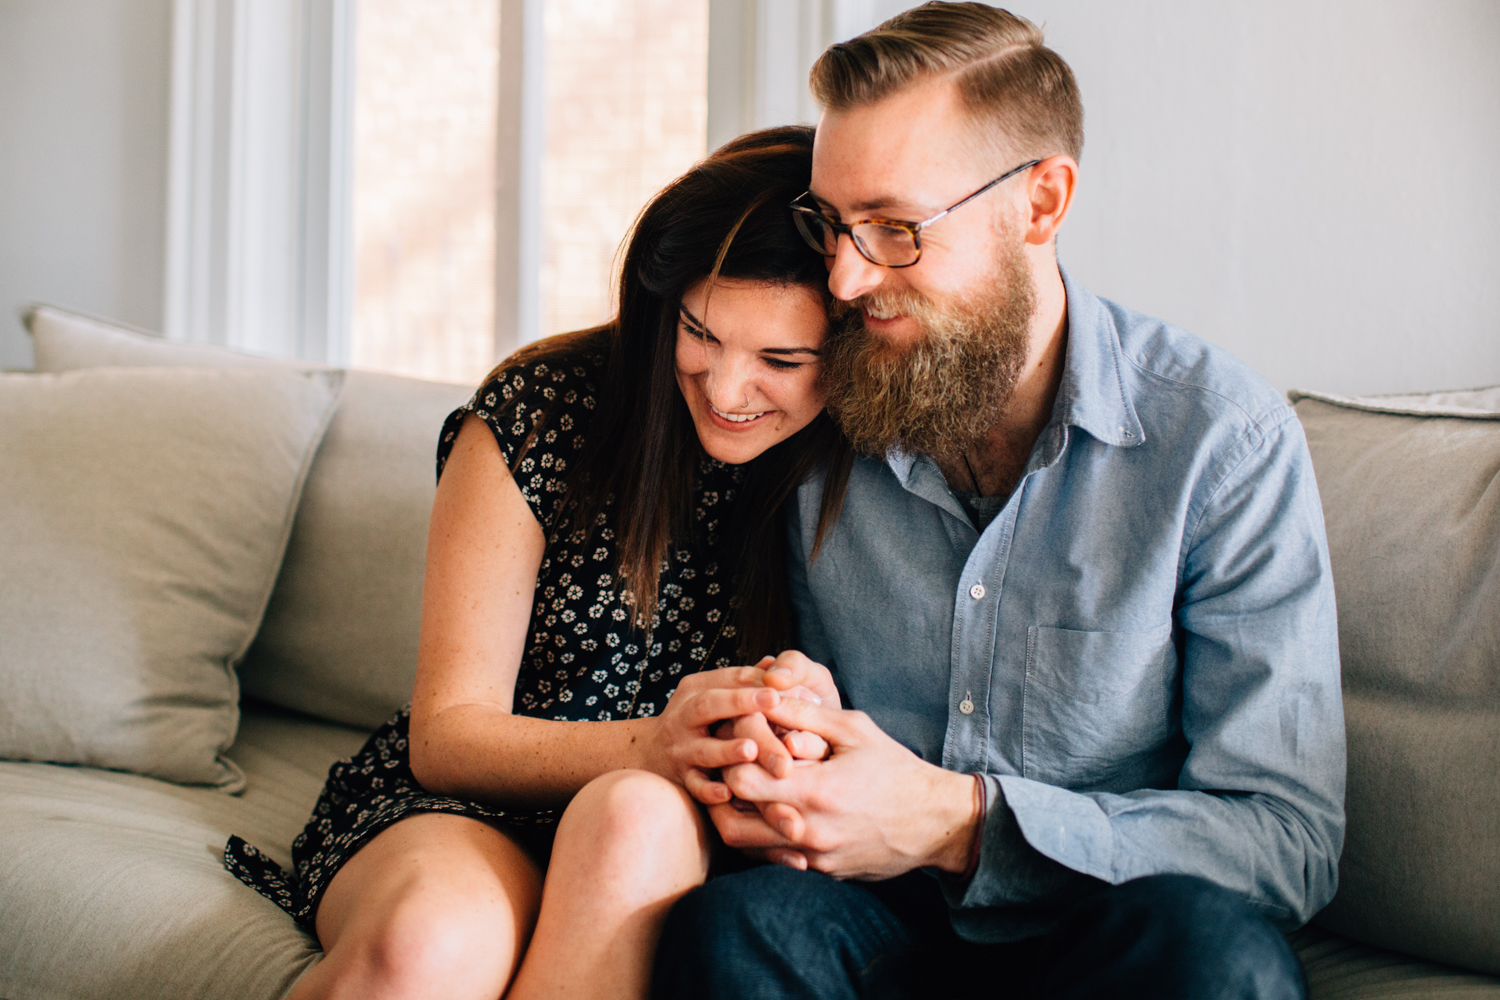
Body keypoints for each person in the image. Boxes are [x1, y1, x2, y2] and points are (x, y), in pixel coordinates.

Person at [653, 5, 1345, 999]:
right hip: (876, 925)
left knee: (1217, 956)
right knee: (735, 928)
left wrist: (959, 819)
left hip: (1104, 932)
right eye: (832, 225)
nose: (846, 278)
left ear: (1042, 202)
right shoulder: (820, 402)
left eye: (895, 229)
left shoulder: (1221, 444)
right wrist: (780, 724)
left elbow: (1287, 841)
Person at [225, 125, 854, 1000]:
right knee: (434, 944)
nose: (723, 387)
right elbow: (446, 735)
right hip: (476, 803)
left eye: (781, 360)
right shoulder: (542, 410)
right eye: (700, 332)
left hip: (686, 835)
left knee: (633, 815)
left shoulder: (867, 461)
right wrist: (653, 744)